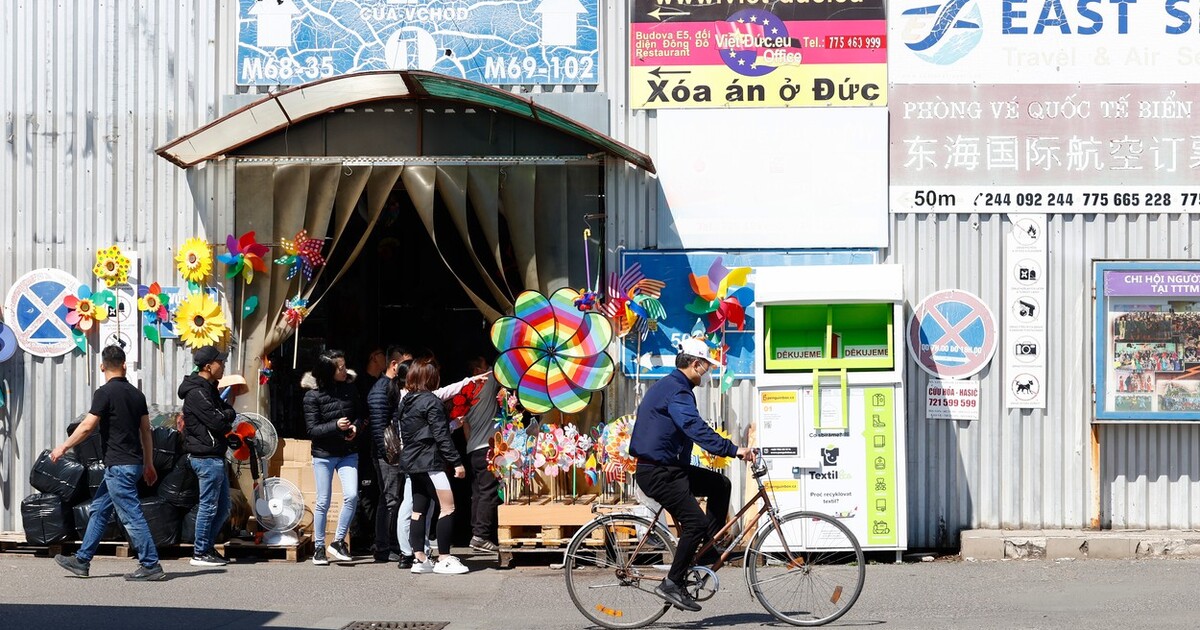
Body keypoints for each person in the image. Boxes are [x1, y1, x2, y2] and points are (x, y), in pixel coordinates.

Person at [629, 336, 755, 613]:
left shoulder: (675, 386)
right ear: (696, 364)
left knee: (720, 483)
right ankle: (671, 583)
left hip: (672, 469)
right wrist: (734, 450)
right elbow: (693, 427)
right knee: (694, 522)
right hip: (658, 472)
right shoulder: (677, 390)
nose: (708, 371)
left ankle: (707, 548)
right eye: (707, 366)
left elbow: (687, 432)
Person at [51, 345, 166, 581]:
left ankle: (151, 564)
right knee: (100, 510)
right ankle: (82, 561)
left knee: (131, 515)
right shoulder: (137, 395)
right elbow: (146, 431)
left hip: (118, 467)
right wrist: (148, 463)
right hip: (131, 465)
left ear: (102, 366)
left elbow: (87, 426)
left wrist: (63, 446)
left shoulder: (104, 393)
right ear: (124, 365)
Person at [390, 357, 487, 568]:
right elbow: (441, 435)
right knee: (448, 508)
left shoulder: (406, 401)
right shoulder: (431, 402)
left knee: (418, 511)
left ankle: (420, 559)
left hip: (412, 464)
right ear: (432, 379)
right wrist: (457, 462)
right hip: (431, 464)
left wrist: (468, 381)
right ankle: (444, 557)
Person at [303, 349, 365, 566]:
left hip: (348, 452)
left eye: (344, 365)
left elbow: (360, 413)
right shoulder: (312, 395)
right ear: (328, 371)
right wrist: (335, 426)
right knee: (323, 501)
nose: (344, 370)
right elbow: (312, 430)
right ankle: (318, 547)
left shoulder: (350, 388)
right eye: (339, 367)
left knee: (352, 495)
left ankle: (338, 541)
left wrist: (356, 428)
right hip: (324, 454)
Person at [178, 345, 236, 567]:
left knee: (222, 508)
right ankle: (200, 552)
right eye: (220, 362)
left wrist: (227, 413)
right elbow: (219, 421)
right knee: (209, 506)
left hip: (214, 456)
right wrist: (227, 414)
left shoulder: (209, 389)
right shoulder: (197, 393)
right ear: (208, 366)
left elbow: (227, 412)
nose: (223, 366)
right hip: (205, 457)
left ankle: (207, 547)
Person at [366, 345, 410, 563]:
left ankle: (390, 544)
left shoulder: (391, 387)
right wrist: (388, 454)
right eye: (406, 365)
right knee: (390, 499)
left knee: (392, 498)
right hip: (388, 454)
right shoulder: (381, 390)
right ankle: (384, 546)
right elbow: (377, 427)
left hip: (393, 453)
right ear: (395, 365)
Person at [462, 372, 501, 553]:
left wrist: (470, 445)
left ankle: (476, 533)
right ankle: (481, 536)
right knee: (489, 492)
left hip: (473, 448)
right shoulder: (489, 382)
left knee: (477, 492)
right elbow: (502, 367)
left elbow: (465, 426)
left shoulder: (466, 394)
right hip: (487, 446)